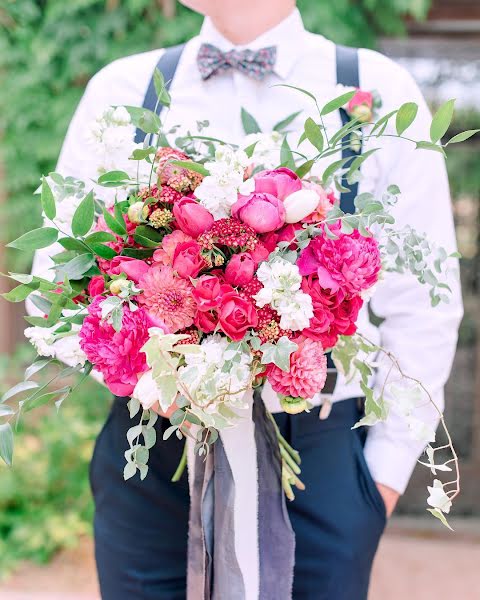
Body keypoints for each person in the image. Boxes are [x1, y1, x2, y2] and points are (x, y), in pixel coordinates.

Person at [31, 1, 462, 598]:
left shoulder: (376, 92)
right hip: (153, 456)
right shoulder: (124, 91)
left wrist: (379, 484)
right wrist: (152, 363)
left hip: (317, 458)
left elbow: (424, 307)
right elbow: (54, 289)